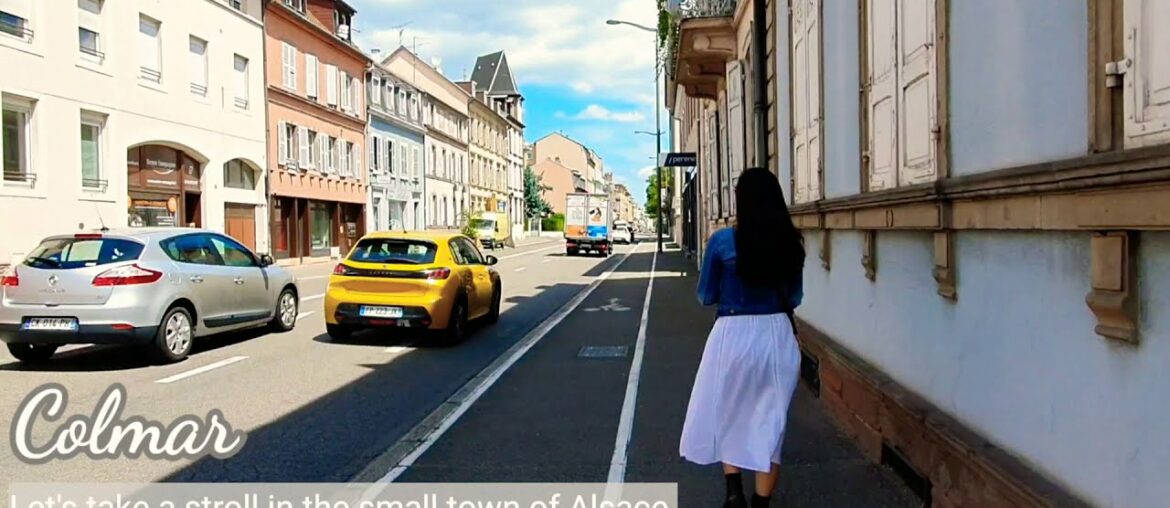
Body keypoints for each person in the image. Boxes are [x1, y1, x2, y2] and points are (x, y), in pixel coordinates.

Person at [679, 167, 805, 508]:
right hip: (776, 335)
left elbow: (705, 296)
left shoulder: (721, 242)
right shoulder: (791, 242)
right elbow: (795, 298)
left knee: (729, 411)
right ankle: (761, 503)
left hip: (732, 335)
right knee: (770, 423)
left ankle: (733, 493)